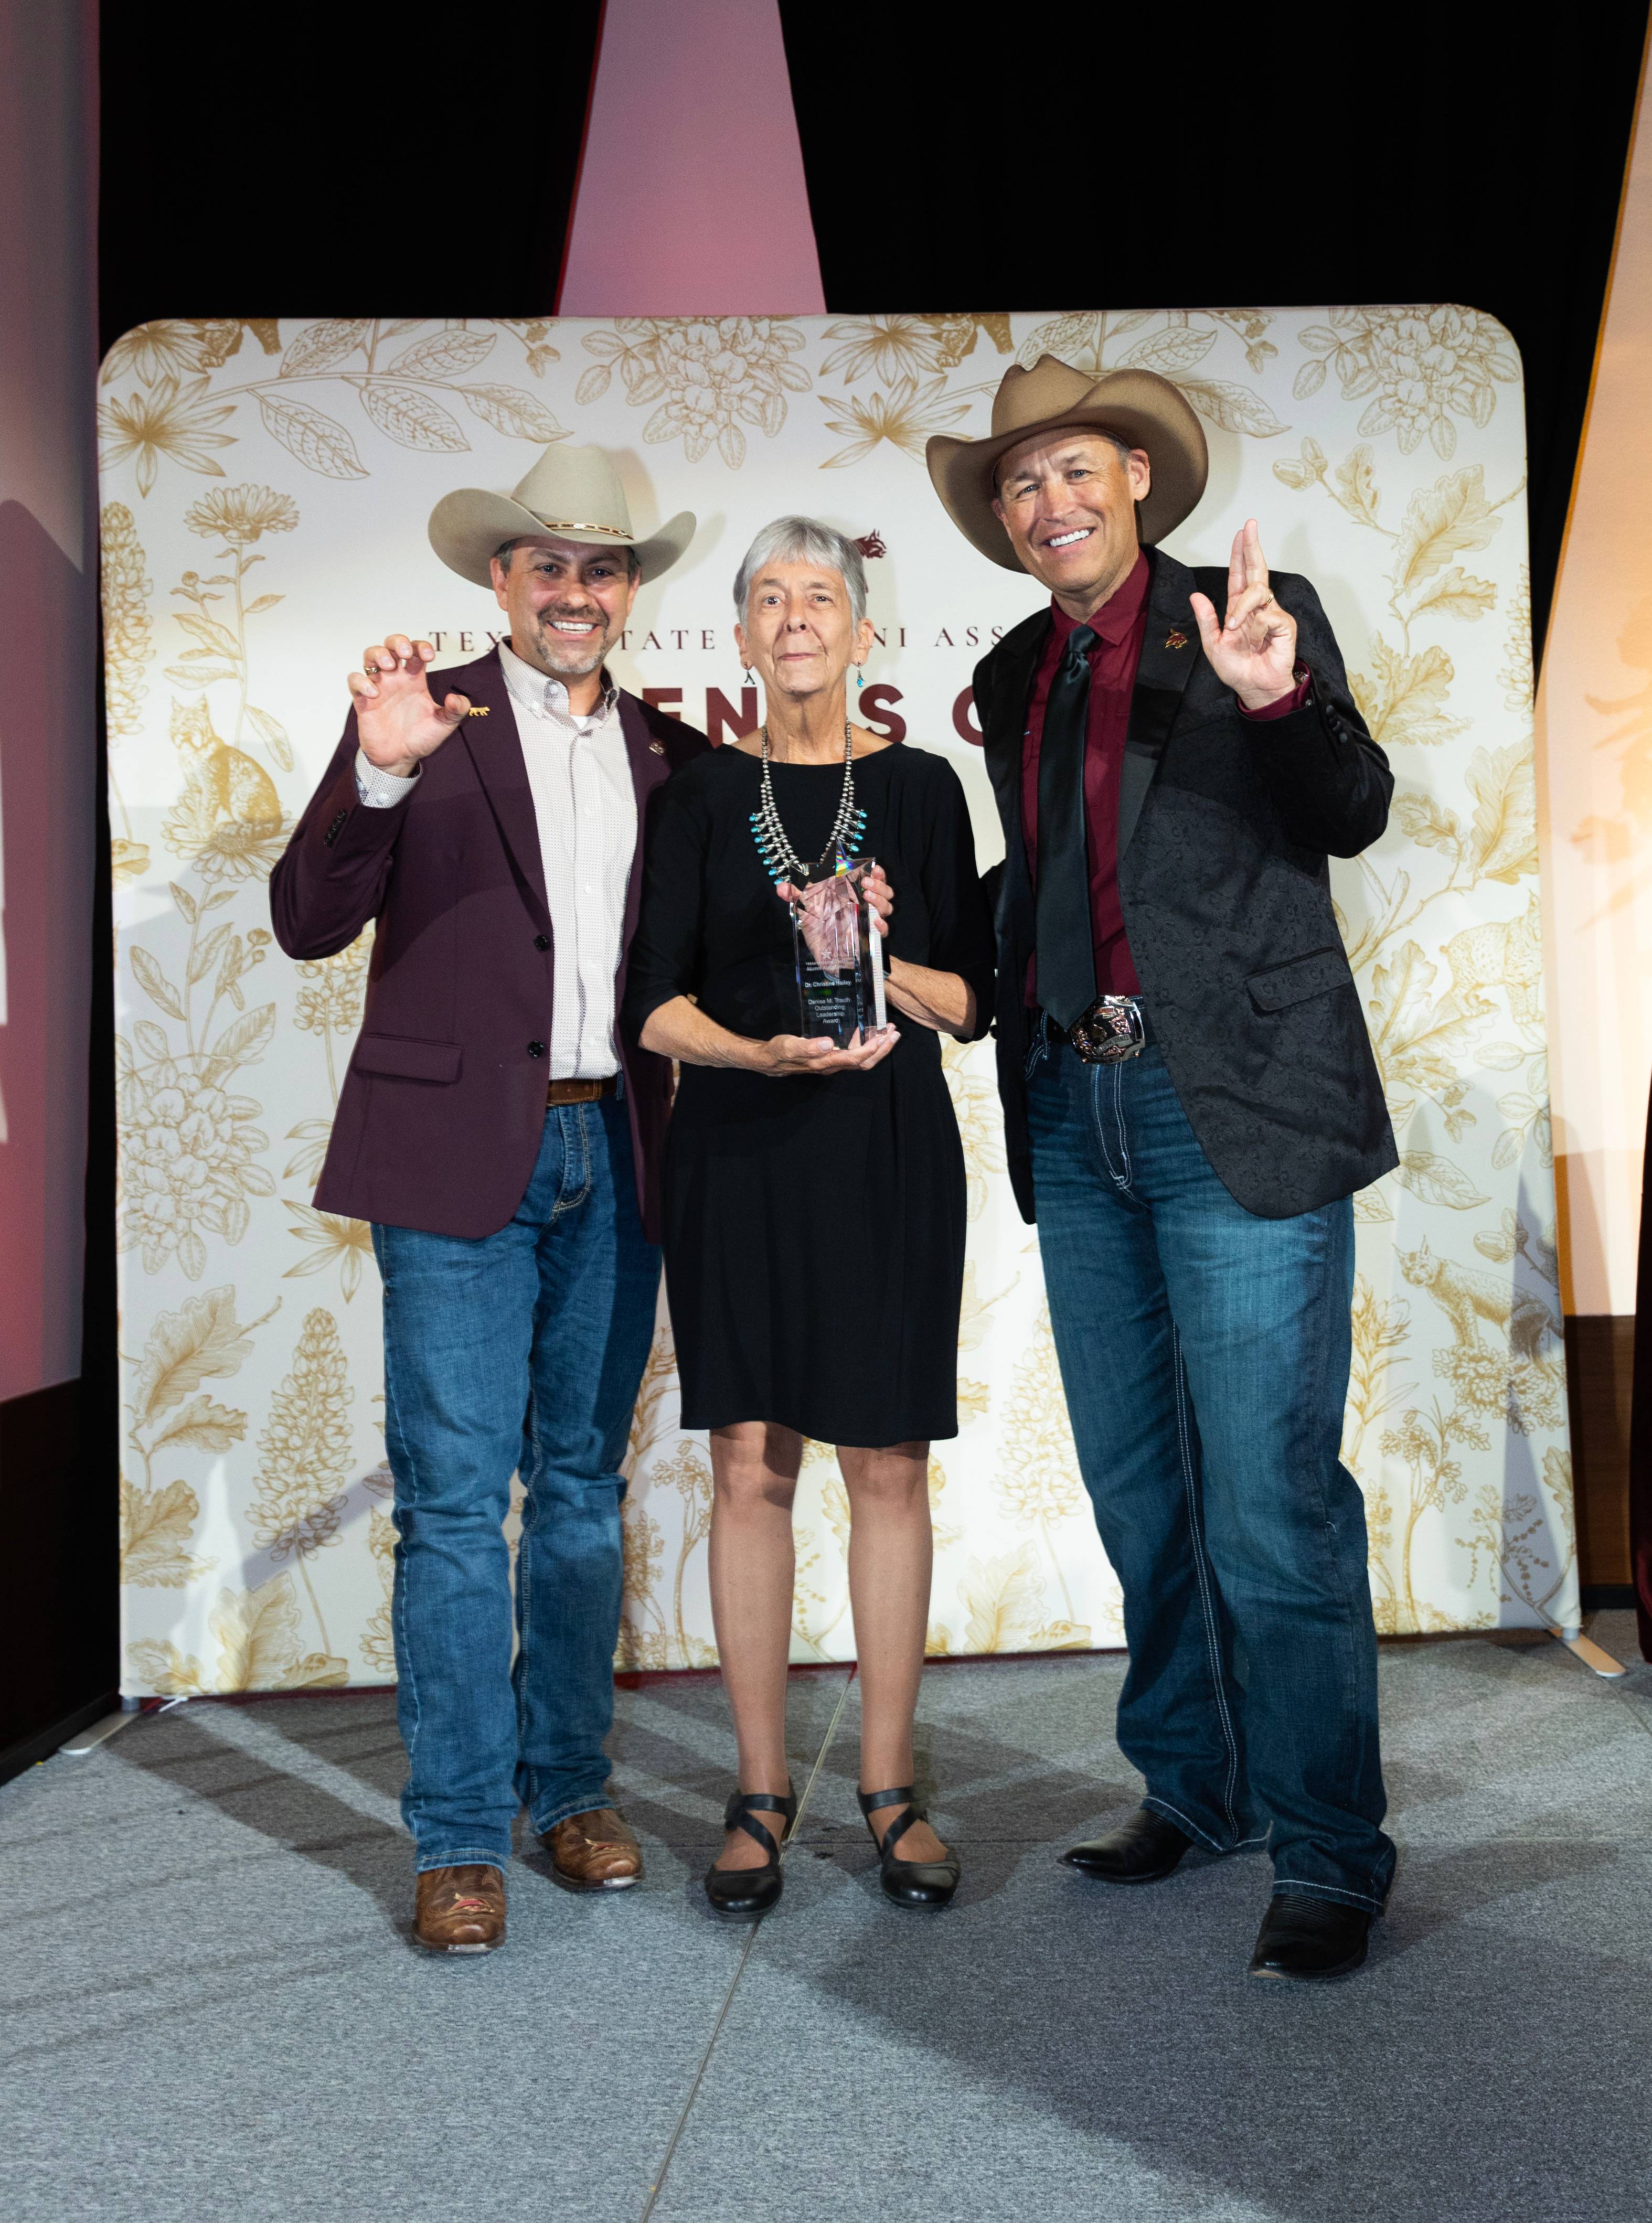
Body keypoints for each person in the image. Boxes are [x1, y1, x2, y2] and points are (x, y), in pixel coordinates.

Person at [925, 357, 1400, 1981]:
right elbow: (1049, 879)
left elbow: (1349, 811)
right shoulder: (1008, 668)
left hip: (1238, 1112)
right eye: (1017, 487)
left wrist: (1277, 693)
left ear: (1135, 476)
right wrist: (949, 974)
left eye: (1071, 472)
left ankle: (1332, 1848)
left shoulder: (1250, 616)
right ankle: (1196, 1792)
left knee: (1272, 1504)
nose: (1046, 505)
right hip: (1076, 1105)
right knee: (1144, 1494)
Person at [269, 444, 707, 1954]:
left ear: (629, 591)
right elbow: (306, 920)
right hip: (460, 1163)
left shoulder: (673, 755)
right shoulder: (423, 722)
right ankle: (458, 1835)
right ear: (500, 583)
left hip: (622, 1156)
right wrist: (376, 764)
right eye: (545, 566)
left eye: (601, 568)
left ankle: (568, 1788)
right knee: (458, 1507)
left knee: (581, 1501)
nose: (573, 591)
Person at [623, 517, 996, 1918]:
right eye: (769, 597)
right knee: (751, 1464)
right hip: (741, 1152)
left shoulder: (922, 789)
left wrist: (891, 958)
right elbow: (651, 1001)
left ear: (860, 630)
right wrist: (751, 1051)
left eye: (820, 596)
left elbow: (978, 1004)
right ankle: (761, 1789)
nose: (795, 617)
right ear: (737, 634)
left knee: (887, 1465)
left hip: (888, 1154)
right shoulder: (702, 801)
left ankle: (891, 1786)